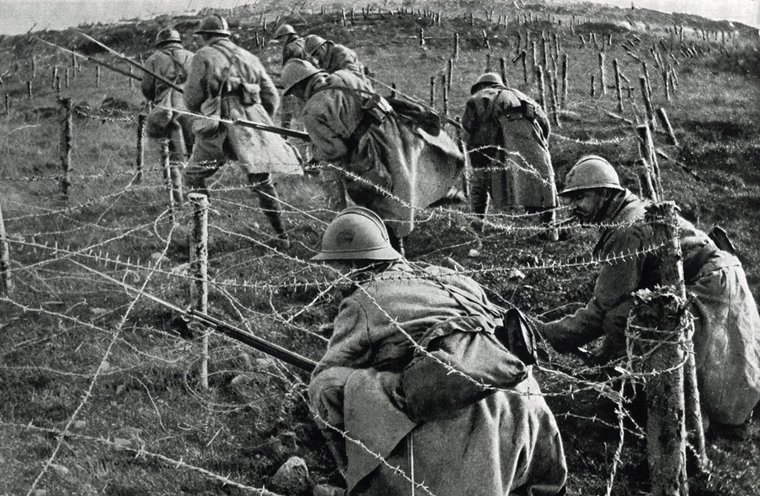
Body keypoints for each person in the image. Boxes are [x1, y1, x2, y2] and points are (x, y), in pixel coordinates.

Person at [308, 206, 568, 496]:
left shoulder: (362, 301)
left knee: (326, 387)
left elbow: (328, 372)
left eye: (336, 268)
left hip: (463, 409)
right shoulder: (446, 275)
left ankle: (363, 495)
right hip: (521, 403)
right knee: (504, 489)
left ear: (351, 265)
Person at [538, 155, 760, 431]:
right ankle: (636, 389)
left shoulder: (625, 230)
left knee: (699, 358)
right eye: (571, 199)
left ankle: (664, 411)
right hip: (715, 275)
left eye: (581, 197)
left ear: (605, 195)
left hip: (709, 285)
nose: (574, 207)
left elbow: (603, 309)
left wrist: (549, 332)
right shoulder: (626, 211)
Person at [280, 58, 464, 255]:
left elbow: (336, 151)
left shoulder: (312, 111)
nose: (297, 97)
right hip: (393, 133)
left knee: (381, 200)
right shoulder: (345, 76)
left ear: (300, 87)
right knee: (407, 182)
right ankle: (441, 196)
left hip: (367, 153)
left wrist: (317, 153)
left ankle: (393, 252)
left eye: (295, 92)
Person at [182, 14, 303, 247]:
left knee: (193, 175)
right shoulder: (249, 57)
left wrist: (207, 107)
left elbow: (191, 99)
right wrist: (257, 115)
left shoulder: (203, 56)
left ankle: (201, 236)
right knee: (262, 180)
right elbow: (272, 97)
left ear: (206, 36)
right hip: (250, 126)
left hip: (219, 128)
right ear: (226, 35)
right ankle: (282, 236)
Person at [462, 72, 557, 230]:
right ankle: (550, 229)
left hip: (497, 142)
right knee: (544, 182)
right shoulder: (521, 95)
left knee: (479, 180)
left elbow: (467, 124)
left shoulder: (480, 96)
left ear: (481, 86)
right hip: (531, 139)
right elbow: (545, 124)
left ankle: (476, 226)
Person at [141, 28, 195, 178]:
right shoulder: (192, 56)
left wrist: (158, 96)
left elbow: (147, 88)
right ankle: (194, 190)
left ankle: (176, 197)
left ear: (160, 43)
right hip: (191, 110)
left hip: (167, 111)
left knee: (172, 157)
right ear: (178, 42)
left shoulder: (153, 59)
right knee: (192, 155)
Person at [272, 24, 306, 130]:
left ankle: (284, 133)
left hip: (294, 83)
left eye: (281, 38)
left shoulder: (289, 47)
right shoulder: (303, 42)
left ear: (287, 35)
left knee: (286, 110)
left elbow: (286, 69)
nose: (280, 41)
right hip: (307, 81)